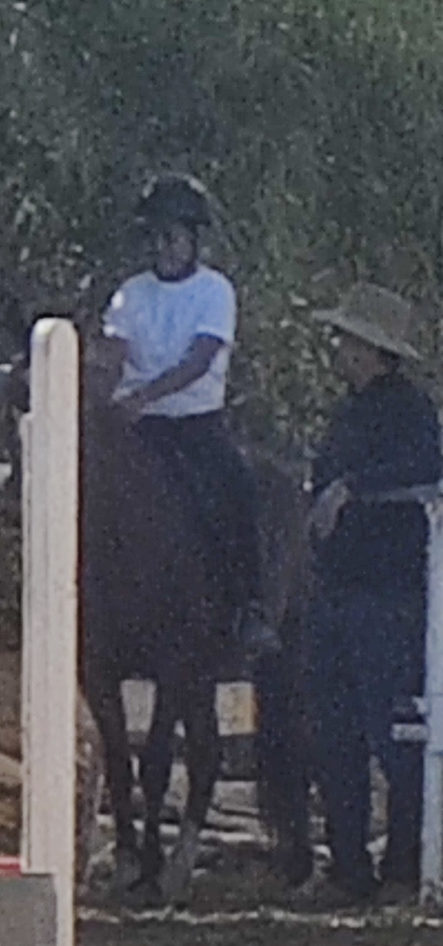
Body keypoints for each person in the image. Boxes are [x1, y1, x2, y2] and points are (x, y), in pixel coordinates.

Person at [301, 284, 443, 903]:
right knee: (336, 734)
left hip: (387, 592)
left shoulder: (409, 410)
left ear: (370, 348)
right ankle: (350, 864)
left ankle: (403, 868)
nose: (339, 349)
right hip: (341, 587)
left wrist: (350, 488)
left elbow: (424, 466)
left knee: (393, 734)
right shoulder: (350, 410)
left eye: (347, 340)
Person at [99, 173, 272, 657]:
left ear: (194, 239)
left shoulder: (215, 291)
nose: (163, 246)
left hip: (195, 422)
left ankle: (249, 605)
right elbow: (114, 352)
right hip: (138, 427)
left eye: (171, 235)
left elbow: (198, 361)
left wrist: (143, 396)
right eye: (155, 236)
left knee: (236, 488)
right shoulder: (130, 293)